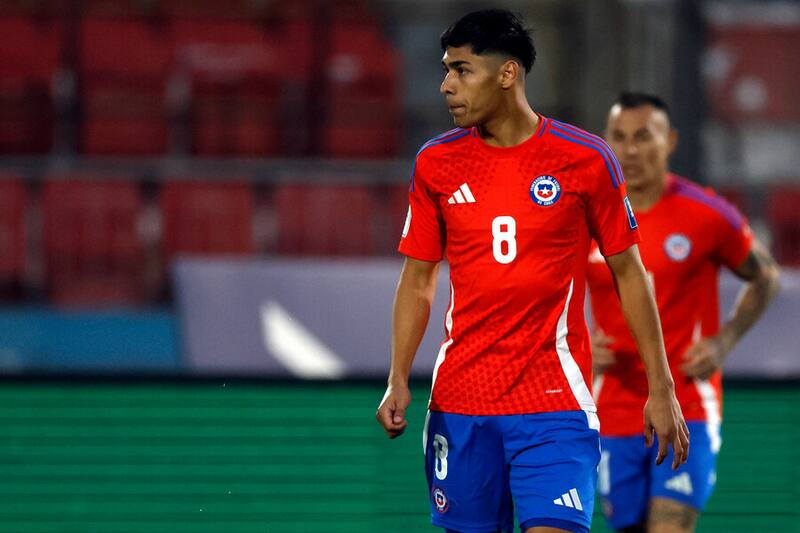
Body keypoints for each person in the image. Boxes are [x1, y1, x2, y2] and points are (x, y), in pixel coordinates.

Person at [375, 10, 689, 533]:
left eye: (461, 70)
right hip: (460, 404)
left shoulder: (586, 159)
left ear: (507, 74)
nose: (445, 85)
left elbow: (629, 273)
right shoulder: (436, 163)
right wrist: (397, 378)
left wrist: (662, 387)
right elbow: (418, 280)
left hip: (553, 404)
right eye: (447, 70)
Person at [587, 92, 781, 533]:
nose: (630, 151)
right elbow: (544, 290)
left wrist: (724, 341)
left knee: (671, 526)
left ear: (669, 140)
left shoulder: (706, 214)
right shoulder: (586, 217)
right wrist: (579, 344)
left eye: (643, 137)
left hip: (687, 402)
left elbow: (765, 275)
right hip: (613, 406)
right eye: (618, 137)